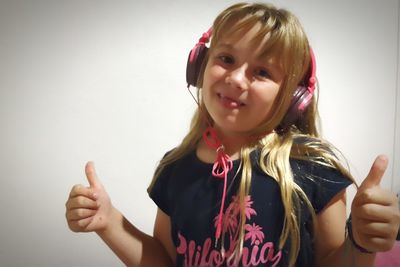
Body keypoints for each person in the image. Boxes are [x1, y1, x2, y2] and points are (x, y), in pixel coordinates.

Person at [65, 2, 400, 267]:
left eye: (262, 72)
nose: (237, 79)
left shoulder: (315, 169)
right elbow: (164, 260)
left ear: (293, 98)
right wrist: (109, 222)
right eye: (226, 58)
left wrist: (362, 243)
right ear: (199, 65)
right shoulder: (174, 170)